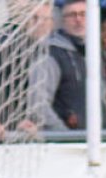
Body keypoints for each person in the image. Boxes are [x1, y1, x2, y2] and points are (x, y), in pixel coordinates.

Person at [34, 0, 88, 130]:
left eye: (83, 14)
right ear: (61, 20)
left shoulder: (90, 53)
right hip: (67, 143)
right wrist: (64, 135)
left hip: (94, 139)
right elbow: (38, 105)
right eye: (72, 15)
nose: (78, 19)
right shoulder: (51, 53)